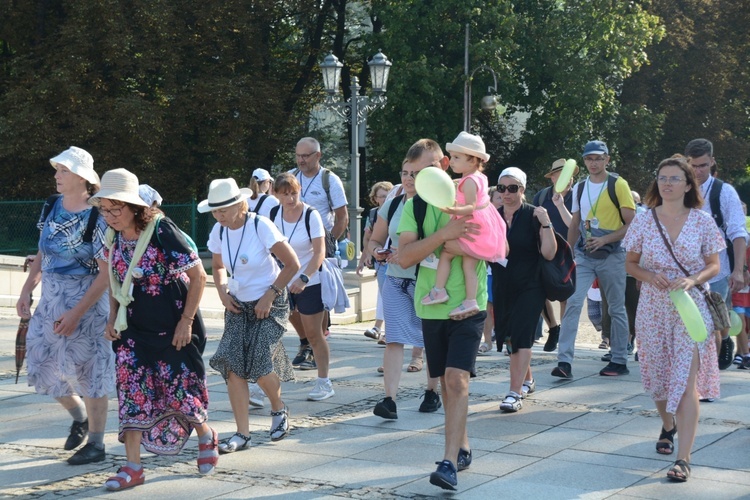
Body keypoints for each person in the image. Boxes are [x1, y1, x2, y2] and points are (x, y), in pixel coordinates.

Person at [91, 168, 215, 490]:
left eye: (115, 208)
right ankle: (133, 466)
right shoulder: (112, 237)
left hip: (171, 330)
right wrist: (111, 317)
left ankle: (206, 434)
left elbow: (199, 276)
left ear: (134, 207)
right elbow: (116, 282)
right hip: (132, 332)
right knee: (132, 395)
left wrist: (186, 322)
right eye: (104, 209)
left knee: (180, 392)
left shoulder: (163, 231)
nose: (109, 216)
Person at [623, 155, 724, 482]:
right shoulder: (643, 220)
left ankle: (684, 458)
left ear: (687, 185)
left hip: (690, 308)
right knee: (659, 380)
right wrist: (649, 276)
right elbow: (630, 264)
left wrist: (693, 279)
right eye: (663, 178)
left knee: (686, 384)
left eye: (675, 178)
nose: (667, 183)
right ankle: (668, 425)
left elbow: (714, 265)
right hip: (652, 306)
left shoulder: (702, 221)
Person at [16, 146, 113, 466]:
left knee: (91, 373)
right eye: (57, 169)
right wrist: (27, 289)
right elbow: (43, 254)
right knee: (41, 365)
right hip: (52, 298)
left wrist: (76, 313)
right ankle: (80, 416)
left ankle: (97, 444)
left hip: (87, 302)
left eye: (64, 170)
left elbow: (106, 273)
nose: (57, 175)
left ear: (83, 178)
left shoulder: (99, 214)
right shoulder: (51, 205)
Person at [397, 138, 485, 491]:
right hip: (430, 306)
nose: (420, 180)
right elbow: (404, 257)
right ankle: (461, 446)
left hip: (469, 304)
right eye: (414, 174)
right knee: (448, 386)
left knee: (455, 379)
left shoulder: (471, 198)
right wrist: (444, 235)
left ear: (446, 165)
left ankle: (448, 461)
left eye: (428, 171)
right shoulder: (414, 208)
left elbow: (499, 244)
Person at [201, 178, 300, 453]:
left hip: (271, 300)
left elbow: (292, 264)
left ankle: (278, 409)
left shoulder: (259, 225)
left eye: (223, 209)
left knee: (258, 362)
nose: (218, 215)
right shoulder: (220, 232)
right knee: (232, 367)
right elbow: (218, 266)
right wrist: (222, 292)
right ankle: (242, 434)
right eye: (214, 211)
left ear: (239, 204)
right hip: (238, 304)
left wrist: (270, 294)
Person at [367, 150, 442, 420]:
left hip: (428, 279)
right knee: (394, 339)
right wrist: (377, 252)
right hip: (396, 278)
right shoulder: (395, 201)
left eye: (416, 173)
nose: (409, 179)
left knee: (431, 340)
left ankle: (432, 391)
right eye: (405, 173)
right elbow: (376, 240)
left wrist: (413, 253)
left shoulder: (439, 200)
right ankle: (389, 400)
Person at [552, 140, 636, 379]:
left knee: (617, 307)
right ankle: (564, 362)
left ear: (607, 159)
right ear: (584, 161)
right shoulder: (579, 187)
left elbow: (632, 224)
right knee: (573, 303)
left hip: (613, 253)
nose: (594, 163)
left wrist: (606, 239)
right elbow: (575, 223)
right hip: (585, 253)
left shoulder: (618, 184)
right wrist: (568, 255)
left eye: (598, 158)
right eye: (589, 159)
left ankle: (619, 359)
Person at [491, 167, 557, 412]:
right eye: (502, 188)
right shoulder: (493, 215)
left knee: (523, 336)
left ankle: (513, 392)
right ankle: (527, 379)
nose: (506, 193)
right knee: (508, 337)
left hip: (530, 285)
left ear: (522, 190)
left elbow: (549, 253)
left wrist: (547, 223)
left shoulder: (533, 215)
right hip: (502, 284)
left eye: (512, 188)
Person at [421, 132, 506, 318]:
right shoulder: (479, 177)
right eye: (452, 157)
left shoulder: (468, 181)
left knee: (446, 254)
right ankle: (470, 301)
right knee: (469, 266)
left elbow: (470, 207)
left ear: (473, 160)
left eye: (457, 157)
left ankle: (439, 290)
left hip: (471, 226)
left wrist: (453, 210)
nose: (452, 161)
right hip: (482, 227)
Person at [685, 139, 747, 370]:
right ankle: (696, 368)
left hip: (716, 270)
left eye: (702, 165)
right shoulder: (679, 189)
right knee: (691, 324)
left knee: (709, 324)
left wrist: (739, 271)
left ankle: (707, 374)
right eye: (693, 165)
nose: (698, 171)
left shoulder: (724, 192)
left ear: (712, 161)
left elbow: (738, 234)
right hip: (683, 271)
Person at [270, 173, 333, 400]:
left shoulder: (310, 215)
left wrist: (304, 277)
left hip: (309, 281)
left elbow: (319, 252)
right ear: (275, 194)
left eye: (294, 193)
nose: (290, 198)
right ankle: (263, 384)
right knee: (269, 334)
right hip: (281, 280)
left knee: (314, 335)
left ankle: (324, 382)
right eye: (285, 194)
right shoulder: (273, 214)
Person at [289, 137, 348, 369]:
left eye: (306, 155)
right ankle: (305, 342)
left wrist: (329, 241)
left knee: (318, 301)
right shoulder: (292, 177)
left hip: (319, 248)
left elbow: (342, 215)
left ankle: (316, 346)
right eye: (298, 155)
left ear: (318, 156)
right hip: (292, 250)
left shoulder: (329, 180)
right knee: (289, 301)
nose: (301, 160)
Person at [533, 158, 578, 352]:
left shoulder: (578, 196)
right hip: (546, 251)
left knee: (565, 295)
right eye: (561, 174)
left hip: (569, 252)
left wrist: (561, 205)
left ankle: (565, 338)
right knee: (538, 291)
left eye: (569, 175)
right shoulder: (541, 197)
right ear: (552, 178)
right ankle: (553, 328)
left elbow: (575, 226)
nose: (567, 179)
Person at [357, 181, 394, 342]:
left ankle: (385, 330)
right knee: (385, 295)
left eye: (387, 196)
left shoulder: (397, 211)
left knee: (390, 296)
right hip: (380, 261)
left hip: (396, 260)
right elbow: (368, 238)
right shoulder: (373, 214)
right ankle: (382, 329)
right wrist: (367, 256)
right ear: (375, 198)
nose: (384, 199)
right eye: (381, 196)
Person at [478, 187, 504, 354]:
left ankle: (508, 340)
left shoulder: (513, 216)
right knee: (487, 307)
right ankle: (487, 341)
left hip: (507, 268)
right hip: (489, 269)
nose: (503, 199)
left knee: (506, 307)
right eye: (499, 198)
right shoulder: (484, 217)